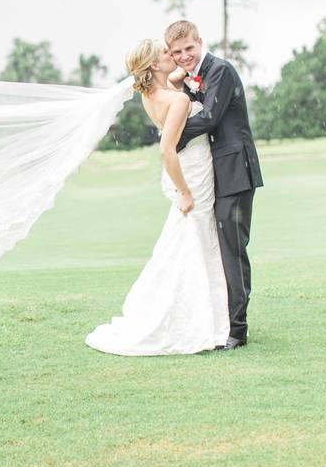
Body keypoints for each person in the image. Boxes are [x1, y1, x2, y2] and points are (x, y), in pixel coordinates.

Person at [84, 39, 229, 355]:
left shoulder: (152, 94)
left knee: (187, 242)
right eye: (166, 53)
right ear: (153, 65)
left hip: (192, 167)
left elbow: (174, 83)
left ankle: (208, 319)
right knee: (196, 242)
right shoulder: (174, 101)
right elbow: (167, 149)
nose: (172, 55)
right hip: (191, 174)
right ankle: (200, 323)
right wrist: (185, 191)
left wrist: (181, 76)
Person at [166, 20, 263, 350]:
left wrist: (171, 137)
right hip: (215, 172)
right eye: (177, 52)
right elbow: (195, 105)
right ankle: (221, 322)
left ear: (200, 42)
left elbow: (208, 118)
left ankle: (238, 330)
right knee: (218, 246)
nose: (184, 56)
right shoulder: (195, 76)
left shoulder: (220, 70)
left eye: (189, 48)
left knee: (232, 249)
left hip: (236, 170)